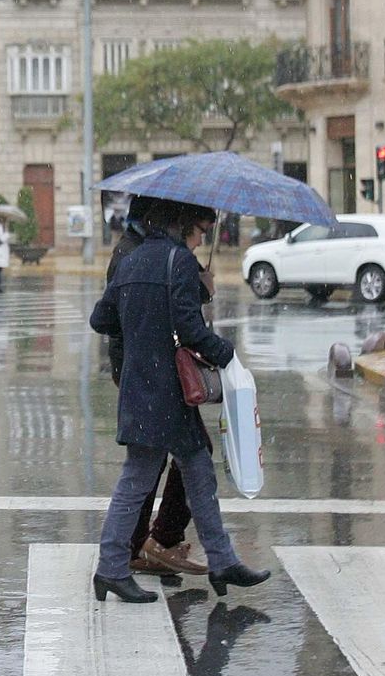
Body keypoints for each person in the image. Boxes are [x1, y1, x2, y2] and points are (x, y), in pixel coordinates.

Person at [89, 198, 271, 602]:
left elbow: (100, 319)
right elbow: (190, 330)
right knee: (140, 479)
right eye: (201, 231)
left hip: (142, 386)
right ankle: (111, 569)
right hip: (167, 390)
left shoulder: (132, 261)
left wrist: (143, 322)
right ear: (185, 225)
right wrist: (228, 354)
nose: (202, 237)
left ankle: (221, 561)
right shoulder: (179, 263)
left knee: (197, 471)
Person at [105, 196, 205, 579]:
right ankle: (153, 542)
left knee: (157, 458)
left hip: (151, 369)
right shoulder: (136, 254)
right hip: (152, 370)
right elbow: (117, 315)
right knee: (170, 457)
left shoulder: (141, 250)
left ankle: (145, 543)